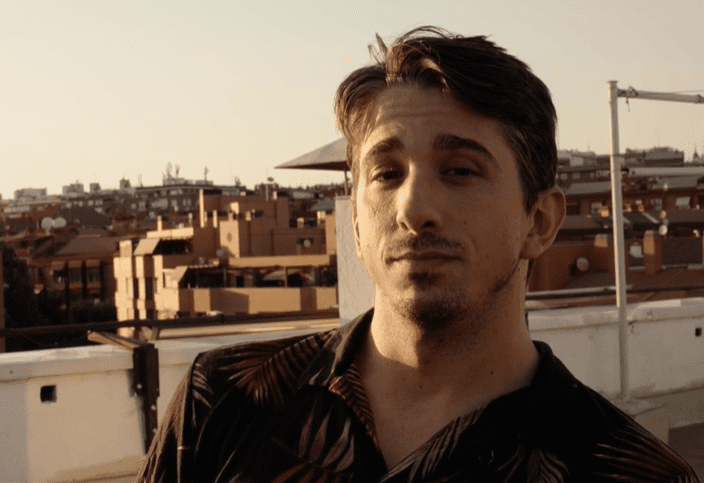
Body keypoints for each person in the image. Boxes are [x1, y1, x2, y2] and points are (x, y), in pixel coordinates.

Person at [138, 27, 697, 482]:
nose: (414, 209)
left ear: (539, 221)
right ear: (356, 222)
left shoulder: (629, 471)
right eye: (386, 174)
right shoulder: (224, 402)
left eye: (460, 171)